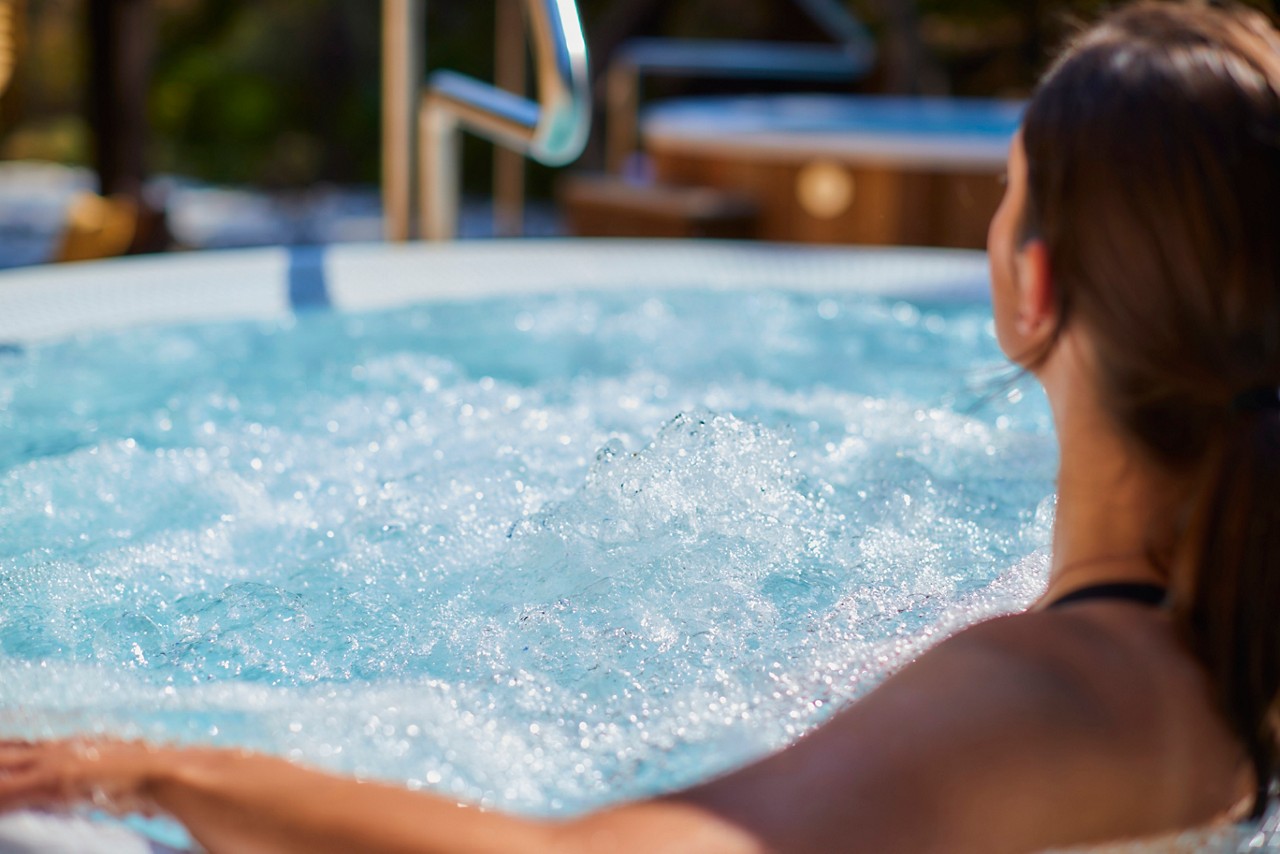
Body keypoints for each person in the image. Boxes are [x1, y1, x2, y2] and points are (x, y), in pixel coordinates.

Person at [2, 1, 1278, 850]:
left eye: (1002, 204)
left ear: (1028, 286)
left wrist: (158, 771)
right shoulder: (1218, 643)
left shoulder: (1045, 691)